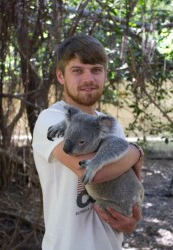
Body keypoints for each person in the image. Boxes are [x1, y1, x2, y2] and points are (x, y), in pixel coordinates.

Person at [32, 35, 144, 250]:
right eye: (77, 71)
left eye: (96, 70)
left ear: (104, 75)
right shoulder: (52, 119)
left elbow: (130, 182)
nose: (88, 78)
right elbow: (95, 173)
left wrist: (130, 222)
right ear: (60, 76)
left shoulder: (108, 125)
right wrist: (137, 153)